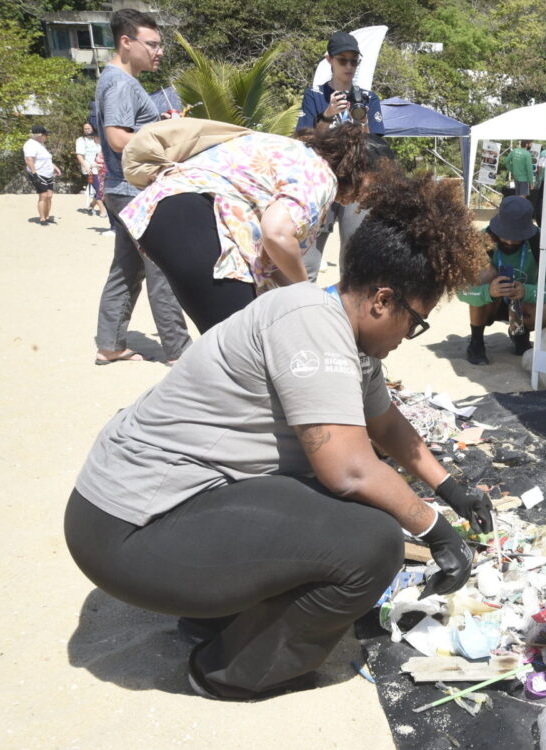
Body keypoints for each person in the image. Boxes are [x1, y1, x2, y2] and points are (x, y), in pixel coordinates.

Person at [64, 165, 491, 702]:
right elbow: (352, 470)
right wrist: (436, 530)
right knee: (371, 541)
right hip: (124, 531)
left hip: (158, 513)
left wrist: (451, 488)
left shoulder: (343, 327)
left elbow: (384, 423)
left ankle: (214, 616)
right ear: (382, 300)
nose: (412, 335)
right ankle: (228, 671)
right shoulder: (308, 321)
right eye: (416, 321)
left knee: (340, 504)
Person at [119, 126, 382, 334]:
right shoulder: (322, 177)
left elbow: (275, 257)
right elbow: (277, 234)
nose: (367, 196)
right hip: (195, 217)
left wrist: (302, 296)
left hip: (166, 213)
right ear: (358, 168)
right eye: (375, 184)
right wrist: (307, 291)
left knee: (229, 346)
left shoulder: (297, 154)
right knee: (243, 351)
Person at [92, 8, 191, 366]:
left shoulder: (119, 81)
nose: (158, 51)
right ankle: (179, 352)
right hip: (134, 191)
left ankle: (110, 343)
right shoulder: (120, 82)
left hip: (122, 189)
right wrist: (167, 138)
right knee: (160, 267)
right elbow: (118, 138)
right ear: (126, 41)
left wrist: (160, 125)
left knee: (126, 267)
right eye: (151, 44)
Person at [296, 31, 387, 281]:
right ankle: (302, 311)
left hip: (356, 183)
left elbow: (375, 144)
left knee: (354, 258)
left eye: (353, 61)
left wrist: (364, 124)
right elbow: (305, 140)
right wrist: (327, 115)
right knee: (308, 260)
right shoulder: (314, 94)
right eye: (342, 60)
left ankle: (347, 318)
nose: (348, 66)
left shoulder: (368, 98)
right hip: (321, 182)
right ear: (329, 60)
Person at [460, 196, 546, 364]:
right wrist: (489, 292)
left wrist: (527, 291)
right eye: (505, 234)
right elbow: (461, 291)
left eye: (516, 236)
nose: (509, 240)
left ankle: (520, 334)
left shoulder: (543, 242)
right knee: (484, 276)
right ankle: (476, 342)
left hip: (522, 303)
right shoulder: (480, 241)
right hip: (490, 303)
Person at [23, 125, 60, 225]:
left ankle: (47, 216)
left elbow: (46, 159)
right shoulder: (30, 144)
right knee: (43, 195)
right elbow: (29, 160)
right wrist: (34, 174)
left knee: (49, 196)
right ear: (39, 135)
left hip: (48, 174)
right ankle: (42, 218)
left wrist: (54, 167)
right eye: (45, 135)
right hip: (38, 173)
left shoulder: (40, 145)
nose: (46, 137)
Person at [74, 122, 105, 218]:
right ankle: (102, 210)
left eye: (89, 128)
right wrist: (86, 167)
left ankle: (91, 205)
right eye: (85, 129)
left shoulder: (97, 139)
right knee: (98, 188)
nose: (87, 130)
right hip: (89, 168)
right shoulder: (81, 140)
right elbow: (79, 155)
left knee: (103, 189)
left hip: (100, 167)